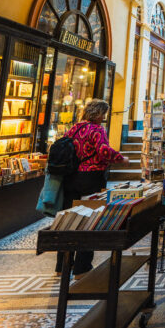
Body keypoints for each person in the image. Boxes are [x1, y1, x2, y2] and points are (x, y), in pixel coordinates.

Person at [56, 99, 128, 279]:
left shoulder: (75, 128)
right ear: (98, 113)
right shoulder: (97, 130)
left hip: (70, 177)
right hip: (90, 178)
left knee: (69, 219)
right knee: (89, 220)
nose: (105, 118)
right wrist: (121, 158)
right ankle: (82, 267)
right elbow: (103, 150)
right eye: (104, 114)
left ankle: (62, 265)